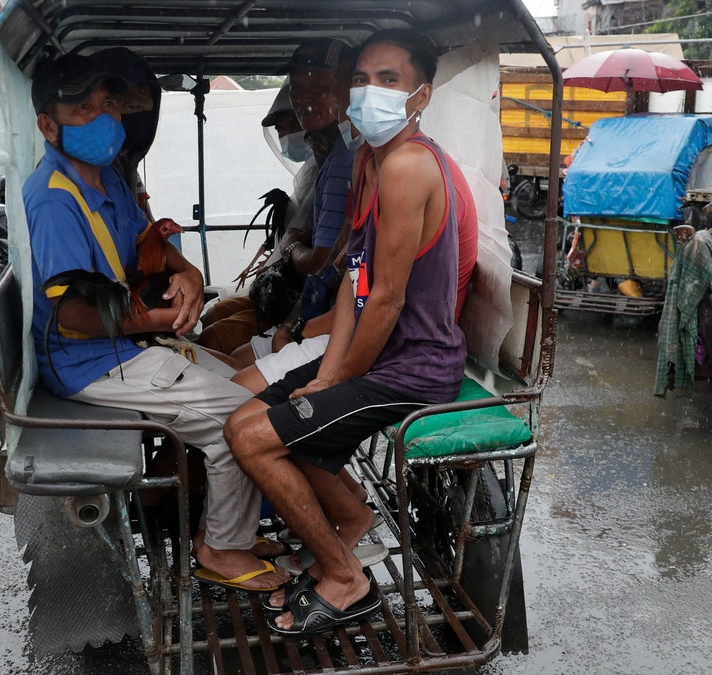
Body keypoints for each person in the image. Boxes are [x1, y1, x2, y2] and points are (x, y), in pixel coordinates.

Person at [225, 29, 468, 635]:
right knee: (243, 420)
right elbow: (355, 284)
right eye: (361, 78)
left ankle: (345, 580)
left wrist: (335, 380)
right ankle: (353, 523)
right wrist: (327, 373)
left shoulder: (408, 166)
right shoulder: (370, 160)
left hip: (414, 367)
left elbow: (386, 299)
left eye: (389, 80)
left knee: (257, 441)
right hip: (375, 354)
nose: (368, 92)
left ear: (421, 97)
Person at [23, 51, 286, 592]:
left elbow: (148, 243)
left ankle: (226, 520)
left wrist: (187, 272)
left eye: (110, 105)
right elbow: (72, 314)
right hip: (89, 361)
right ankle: (220, 547)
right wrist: (158, 320)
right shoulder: (53, 198)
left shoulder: (106, 179)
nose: (104, 118)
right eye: (82, 108)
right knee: (239, 421)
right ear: (48, 125)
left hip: (127, 345)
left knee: (252, 391)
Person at [198, 39, 356, 355]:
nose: (302, 101)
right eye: (297, 89)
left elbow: (324, 265)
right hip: (312, 306)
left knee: (215, 342)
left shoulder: (345, 162)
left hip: (325, 317)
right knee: (213, 325)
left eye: (319, 89)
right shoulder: (331, 158)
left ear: (344, 90)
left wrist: (291, 246)